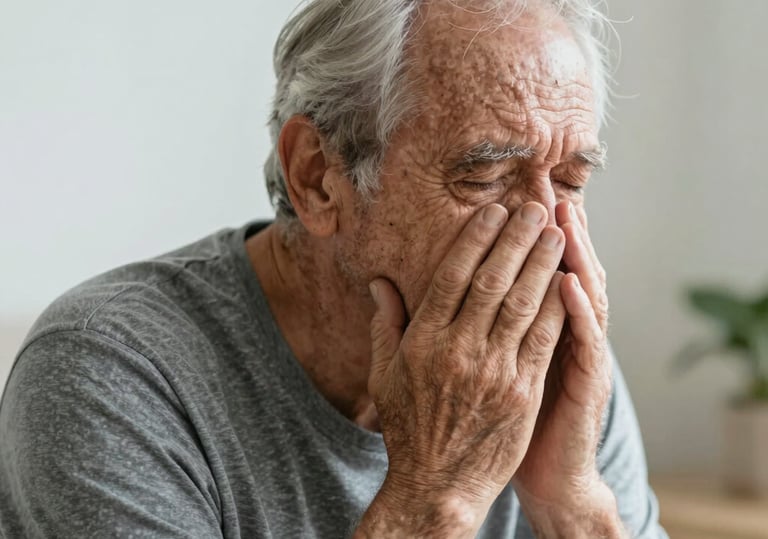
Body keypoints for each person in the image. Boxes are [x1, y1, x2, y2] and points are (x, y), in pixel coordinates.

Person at [0, 0, 668, 537]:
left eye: (571, 181)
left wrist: (572, 502)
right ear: (318, 177)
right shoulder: (108, 372)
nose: (549, 235)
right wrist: (436, 495)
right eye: (484, 177)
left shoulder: (549, 353)